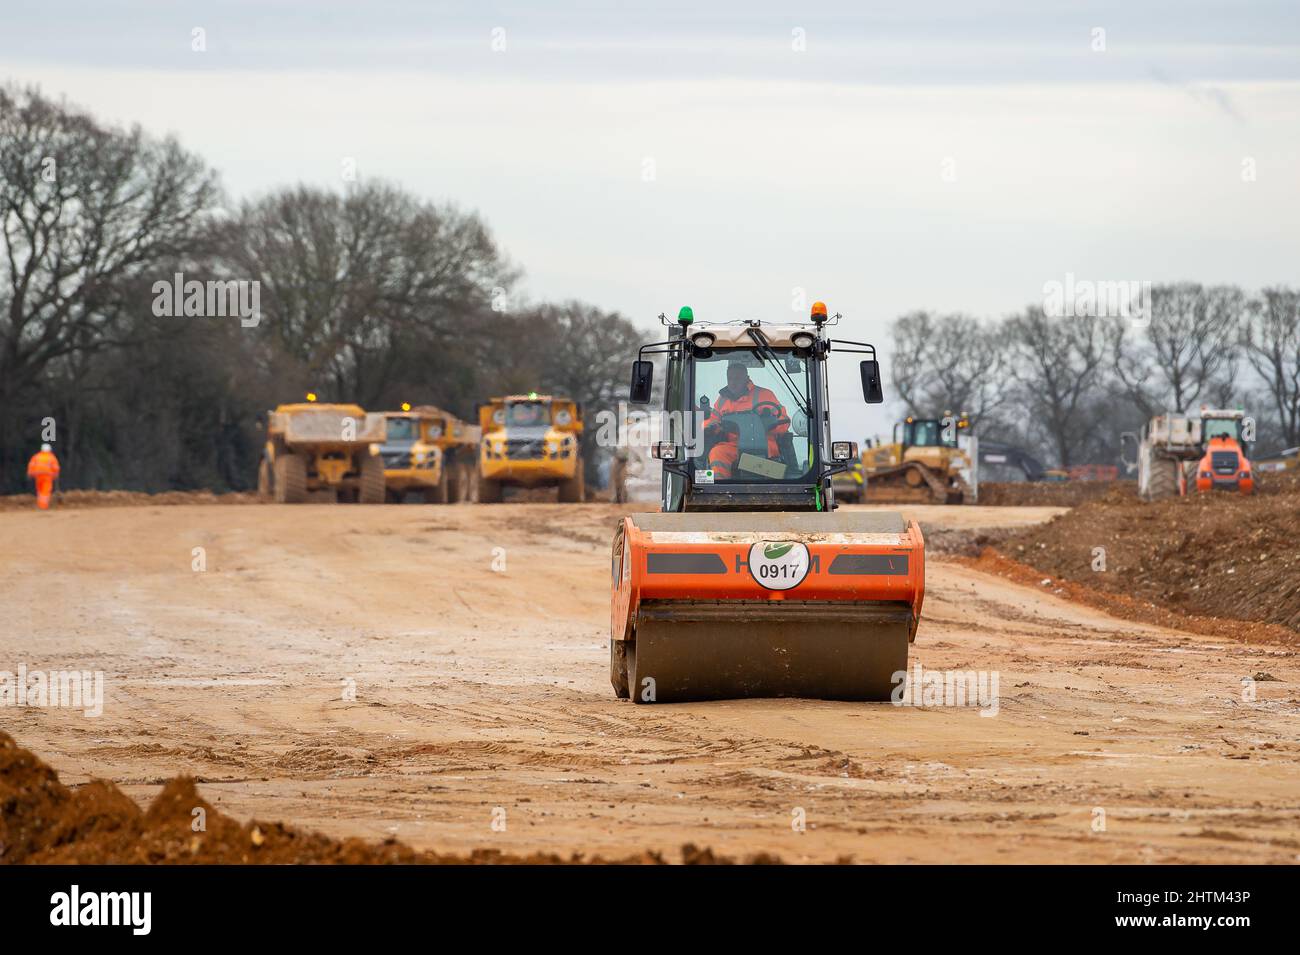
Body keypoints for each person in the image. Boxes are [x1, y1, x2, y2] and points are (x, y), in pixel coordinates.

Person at [702, 362, 790, 479]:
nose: (733, 382)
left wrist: (768, 424)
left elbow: (783, 420)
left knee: (770, 468)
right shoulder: (722, 400)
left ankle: (769, 488)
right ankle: (720, 491)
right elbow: (713, 420)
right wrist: (707, 428)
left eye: (737, 378)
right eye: (730, 378)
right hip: (734, 445)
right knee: (717, 452)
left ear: (747, 379)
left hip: (763, 446)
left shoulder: (765, 395)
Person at [26, 443, 61, 510]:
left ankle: (40, 505)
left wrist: (29, 473)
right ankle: (43, 506)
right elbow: (55, 467)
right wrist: (56, 474)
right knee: (46, 491)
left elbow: (31, 465)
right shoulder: (51, 457)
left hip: (38, 476)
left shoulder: (36, 456)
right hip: (47, 476)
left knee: (40, 490)